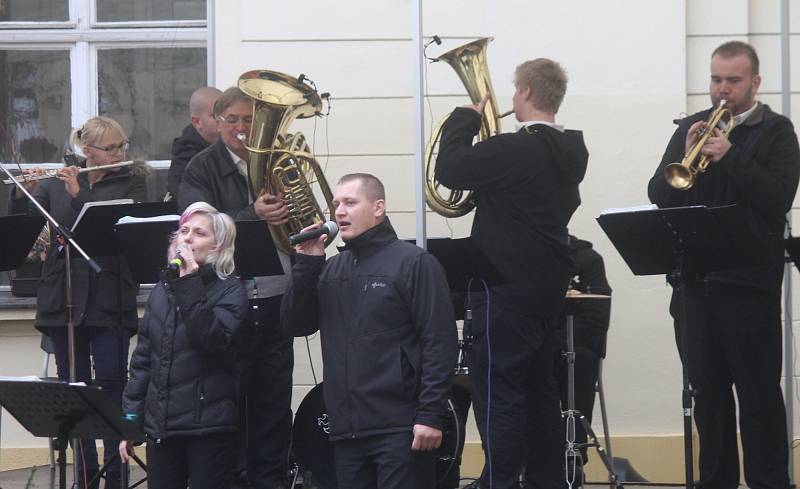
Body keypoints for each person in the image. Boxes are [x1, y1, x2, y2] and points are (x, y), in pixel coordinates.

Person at [648, 41, 800, 489]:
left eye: (733, 81)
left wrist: (730, 155)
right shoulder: (689, 129)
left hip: (749, 288)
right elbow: (660, 193)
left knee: (758, 400)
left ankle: (770, 482)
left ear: (755, 82)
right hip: (696, 287)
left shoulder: (777, 133)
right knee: (708, 400)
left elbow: (776, 198)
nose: (722, 90)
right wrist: (690, 148)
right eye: (716, 79)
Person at [435, 58, 589, 489]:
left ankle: (499, 482)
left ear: (523, 93)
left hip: (503, 289)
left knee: (498, 394)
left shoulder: (516, 149)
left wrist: (464, 118)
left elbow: (449, 169)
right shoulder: (570, 151)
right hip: (545, 290)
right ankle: (546, 482)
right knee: (540, 395)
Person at [281, 173, 458, 489]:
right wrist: (307, 264)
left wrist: (430, 414)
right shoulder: (331, 268)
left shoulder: (414, 263)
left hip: (400, 428)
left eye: (350, 202)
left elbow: (439, 342)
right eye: (336, 203)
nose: (339, 211)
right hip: (347, 431)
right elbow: (296, 324)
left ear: (379, 207)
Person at [9, 116, 149, 489]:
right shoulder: (56, 185)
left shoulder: (131, 179)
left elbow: (109, 227)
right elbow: (31, 236)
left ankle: (115, 478)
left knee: (111, 388)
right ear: (87, 151)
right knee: (75, 395)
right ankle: (86, 479)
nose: (119, 153)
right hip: (63, 299)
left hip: (109, 298)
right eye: (111, 148)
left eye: (122, 146)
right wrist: (27, 192)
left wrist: (78, 195)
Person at [177, 86, 294, 489]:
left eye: (250, 120)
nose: (242, 128)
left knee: (275, 402)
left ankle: (272, 481)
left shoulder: (280, 160)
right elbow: (200, 225)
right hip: (232, 296)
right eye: (233, 120)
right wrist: (252, 214)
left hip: (278, 292)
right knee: (234, 401)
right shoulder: (200, 166)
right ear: (217, 122)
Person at [119, 201, 249, 489]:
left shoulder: (232, 291)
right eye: (184, 231)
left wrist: (189, 282)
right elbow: (142, 362)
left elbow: (211, 341)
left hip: (208, 428)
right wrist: (129, 422)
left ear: (218, 247)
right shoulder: (162, 291)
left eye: (199, 233)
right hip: (162, 428)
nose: (187, 238)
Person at [524, 234, 612, 487]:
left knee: (580, 362)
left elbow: (596, 320)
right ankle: (513, 454)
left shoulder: (587, 259)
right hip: (534, 342)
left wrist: (556, 340)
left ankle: (573, 456)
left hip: (571, 345)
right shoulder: (525, 256)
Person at [166, 87, 222, 199]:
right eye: (216, 115)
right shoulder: (186, 157)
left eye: (226, 113)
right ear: (197, 122)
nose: (224, 119)